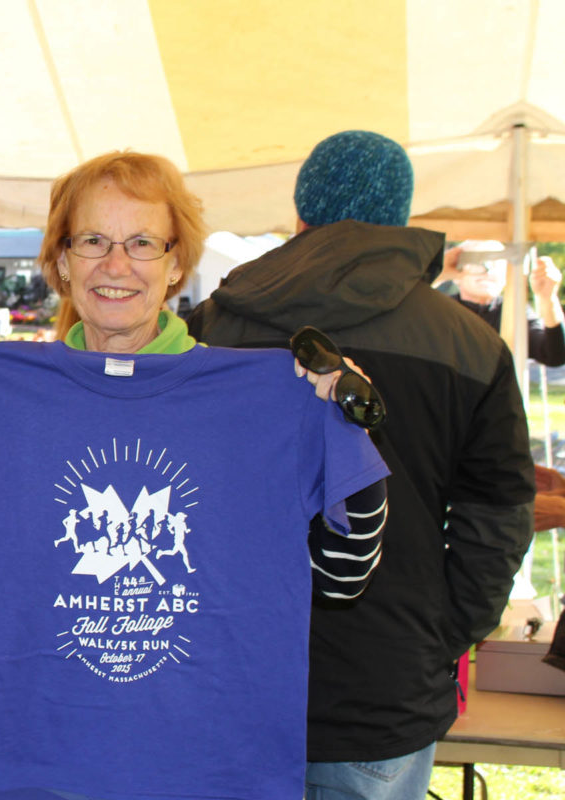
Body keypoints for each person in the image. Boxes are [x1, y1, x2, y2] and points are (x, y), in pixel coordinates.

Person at [0, 151, 389, 800]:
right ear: (62, 260)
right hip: (40, 768)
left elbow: (345, 577)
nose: (116, 264)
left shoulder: (268, 400)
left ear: (176, 263)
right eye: (92, 240)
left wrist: (345, 429)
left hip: (209, 772)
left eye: (142, 243)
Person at [186, 130, 536, 800]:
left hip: (229, 673)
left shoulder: (215, 326)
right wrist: (442, 634)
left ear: (300, 215)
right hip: (387, 683)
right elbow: (499, 520)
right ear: (401, 219)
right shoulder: (469, 343)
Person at [431, 239, 565, 366]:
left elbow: (555, 355)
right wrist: (436, 276)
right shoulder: (439, 310)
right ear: (455, 275)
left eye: (497, 263)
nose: (488, 271)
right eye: (478, 262)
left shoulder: (513, 310)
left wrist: (548, 298)